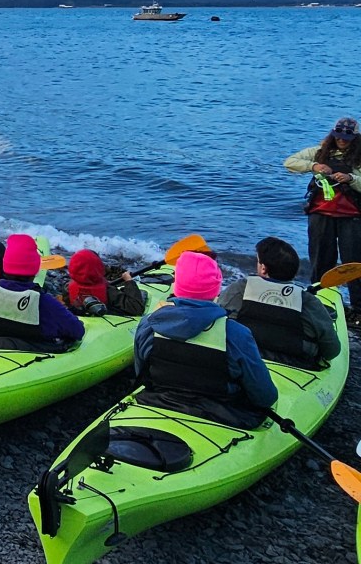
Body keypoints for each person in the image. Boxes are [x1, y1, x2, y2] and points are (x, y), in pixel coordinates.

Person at [135, 250, 278, 428]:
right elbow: (265, 397)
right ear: (217, 290)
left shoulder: (148, 324)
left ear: (176, 286)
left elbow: (142, 374)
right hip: (224, 414)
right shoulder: (237, 334)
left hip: (161, 400)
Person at [218, 237, 341, 367]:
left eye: (258, 261)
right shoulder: (309, 302)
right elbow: (331, 351)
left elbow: (217, 321)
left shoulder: (240, 289)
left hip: (244, 356)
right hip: (298, 365)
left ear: (263, 269)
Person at [284, 117, 361, 322]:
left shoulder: (359, 157)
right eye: (339, 136)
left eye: (347, 137)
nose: (342, 141)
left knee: (353, 263)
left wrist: (352, 179)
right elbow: (290, 162)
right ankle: (320, 302)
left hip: (351, 217)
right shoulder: (320, 152)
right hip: (320, 215)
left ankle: (358, 308)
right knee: (320, 260)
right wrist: (315, 166)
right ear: (333, 134)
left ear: (354, 137)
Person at [0, 234, 85, 350]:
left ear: (5, 265)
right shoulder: (44, 301)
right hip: (32, 357)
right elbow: (78, 331)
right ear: (35, 270)